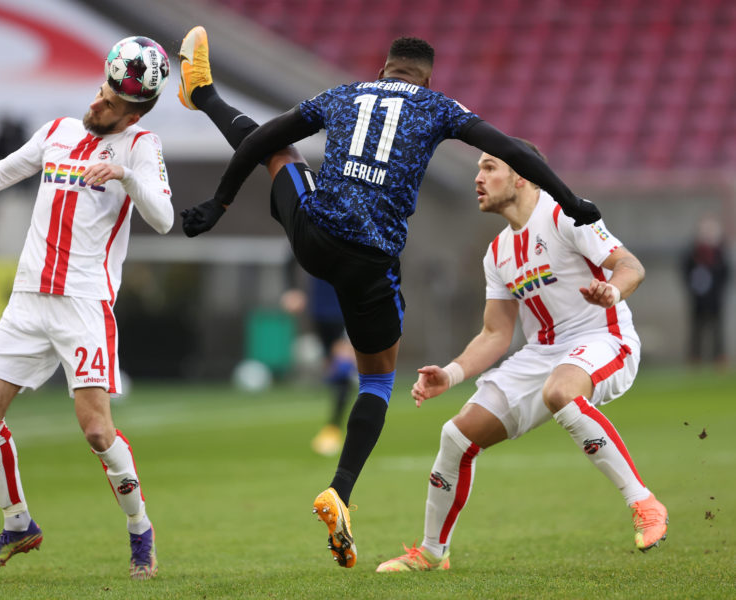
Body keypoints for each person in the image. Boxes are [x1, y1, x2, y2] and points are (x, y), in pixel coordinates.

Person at [177, 26, 601, 568]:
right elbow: (512, 149)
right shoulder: (437, 107)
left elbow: (262, 139)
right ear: (427, 79)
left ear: (383, 70)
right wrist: (570, 201)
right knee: (377, 381)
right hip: (372, 267)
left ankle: (203, 93)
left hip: (315, 237)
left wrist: (219, 204)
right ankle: (340, 489)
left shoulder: (345, 93)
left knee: (277, 148)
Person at [0, 36, 174, 580]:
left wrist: (124, 176)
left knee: (97, 432)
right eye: (100, 90)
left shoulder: (141, 147)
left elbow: (165, 219)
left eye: (110, 102)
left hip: (83, 304)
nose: (97, 102)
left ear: (134, 112)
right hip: (28, 300)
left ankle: (139, 529)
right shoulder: (57, 131)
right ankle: (18, 523)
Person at [375, 144, 668, 573]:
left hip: (604, 338)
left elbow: (631, 265)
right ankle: (433, 553)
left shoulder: (566, 214)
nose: (478, 177)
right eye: (478, 168)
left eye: (489, 167)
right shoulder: (497, 253)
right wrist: (450, 374)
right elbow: (496, 334)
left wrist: (613, 289)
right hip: (543, 354)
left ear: (523, 176)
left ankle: (644, 503)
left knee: (561, 390)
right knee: (456, 437)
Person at [280, 268, 356, 457]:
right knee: (334, 370)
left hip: (350, 306)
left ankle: (333, 429)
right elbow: (290, 257)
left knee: (342, 369)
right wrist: (292, 289)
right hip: (321, 311)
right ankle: (336, 428)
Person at [682, 216, 730, 367]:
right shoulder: (693, 253)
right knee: (697, 328)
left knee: (717, 328)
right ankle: (695, 357)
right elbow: (685, 272)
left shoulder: (720, 253)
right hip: (698, 298)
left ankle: (719, 357)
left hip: (715, 298)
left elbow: (725, 274)